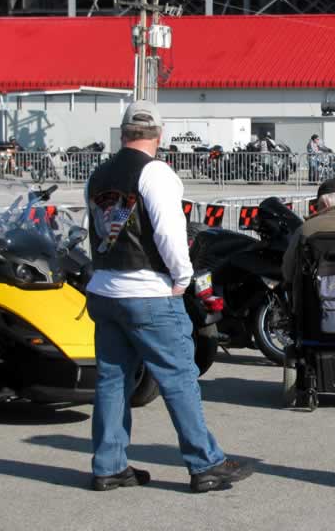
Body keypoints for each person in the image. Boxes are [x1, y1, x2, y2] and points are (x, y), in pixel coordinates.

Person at [85, 100, 253, 493]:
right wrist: (183, 277)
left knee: (112, 381)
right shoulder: (155, 171)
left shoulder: (98, 174)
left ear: (123, 133)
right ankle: (205, 463)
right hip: (148, 291)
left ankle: (109, 466)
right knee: (179, 377)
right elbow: (169, 232)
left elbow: (95, 228)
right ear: (159, 137)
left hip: (105, 288)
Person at [282, 178, 335, 284]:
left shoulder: (305, 229)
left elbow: (288, 272)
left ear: (325, 204)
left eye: (317, 206)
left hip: (314, 298)